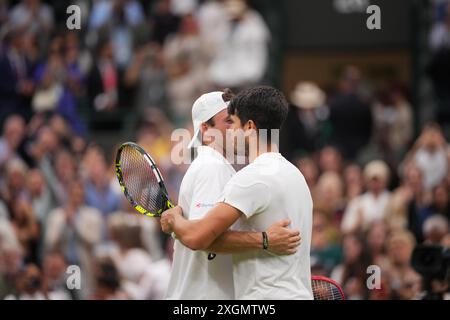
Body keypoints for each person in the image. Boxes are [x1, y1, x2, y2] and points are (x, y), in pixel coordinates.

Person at [161, 86, 312, 300]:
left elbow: (197, 236)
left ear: (249, 126)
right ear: (205, 129)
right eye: (227, 122)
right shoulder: (296, 175)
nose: (232, 131)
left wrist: (174, 221)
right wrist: (264, 240)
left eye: (235, 123)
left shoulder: (248, 177)